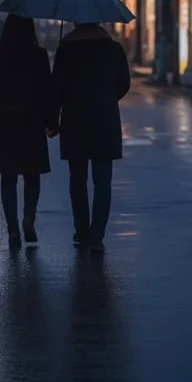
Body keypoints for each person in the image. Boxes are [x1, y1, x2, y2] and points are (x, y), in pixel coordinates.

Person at [52, 21, 131, 251]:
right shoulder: (113, 49)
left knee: (77, 179)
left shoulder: (66, 49)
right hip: (104, 119)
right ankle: (96, 234)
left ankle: (81, 228)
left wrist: (52, 120)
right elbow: (124, 83)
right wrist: (107, 97)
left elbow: (57, 88)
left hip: (75, 119)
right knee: (102, 180)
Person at [0, 14, 57, 249]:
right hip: (32, 119)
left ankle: (13, 228)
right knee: (31, 175)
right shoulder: (39, 55)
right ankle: (28, 219)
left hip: (4, 120)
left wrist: (3, 100)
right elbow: (47, 92)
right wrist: (51, 121)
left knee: (8, 177)